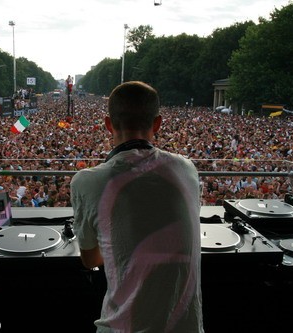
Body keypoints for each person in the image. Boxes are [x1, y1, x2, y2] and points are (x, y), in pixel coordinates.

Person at [70, 81, 204, 332]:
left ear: (108, 124)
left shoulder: (88, 181)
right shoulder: (187, 168)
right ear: (157, 124)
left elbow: (90, 260)